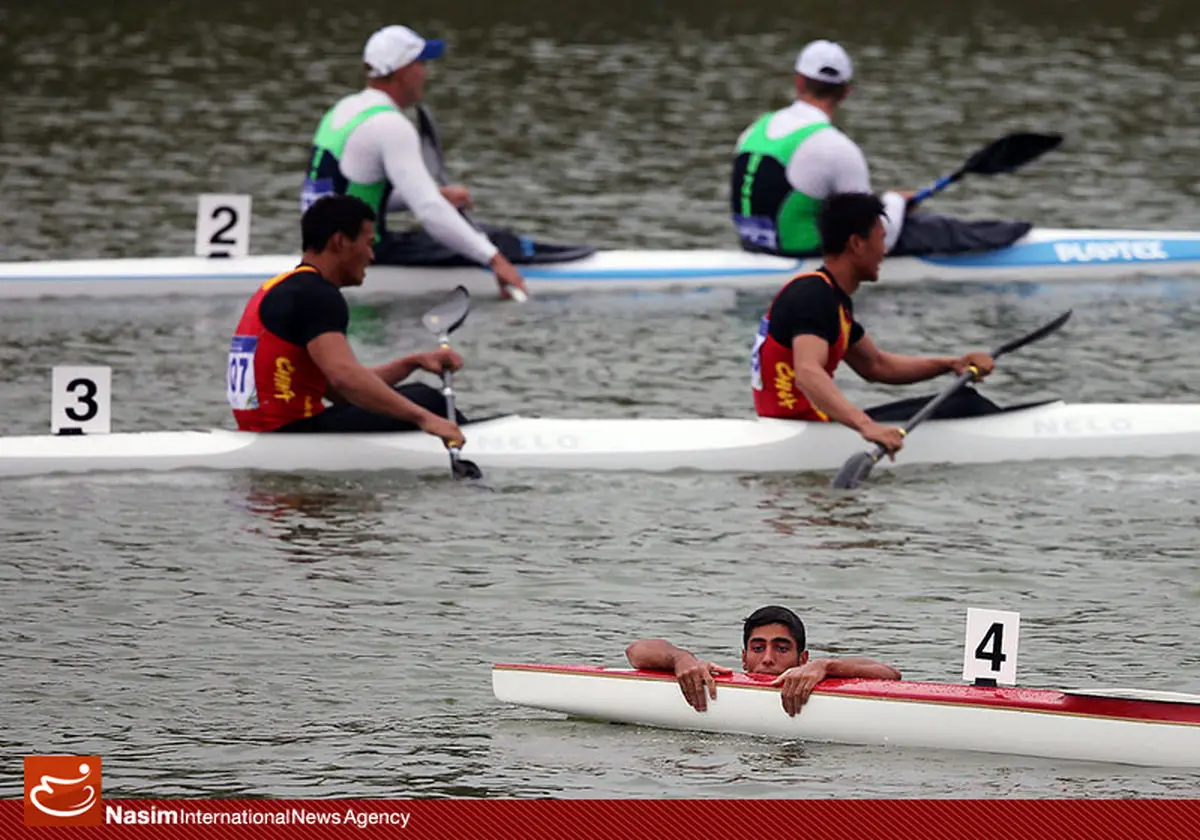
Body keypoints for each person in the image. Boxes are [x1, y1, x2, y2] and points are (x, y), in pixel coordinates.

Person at [730, 39, 1031, 258]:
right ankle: (1021, 240)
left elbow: (799, 192)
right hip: (801, 252)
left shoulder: (752, 130)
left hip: (753, 245)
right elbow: (872, 238)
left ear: (798, 82)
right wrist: (894, 204)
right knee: (933, 227)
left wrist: (883, 201)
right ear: (846, 92)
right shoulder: (836, 147)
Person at [750, 191, 998, 456]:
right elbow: (808, 372)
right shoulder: (813, 296)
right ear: (857, 244)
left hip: (810, 422)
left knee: (961, 399)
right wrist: (867, 427)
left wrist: (950, 364)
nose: (886, 251)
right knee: (965, 405)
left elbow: (876, 365)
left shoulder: (828, 295)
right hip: (806, 428)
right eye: (880, 240)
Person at [300, 24, 528, 300]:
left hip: (325, 248)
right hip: (361, 254)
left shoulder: (343, 110)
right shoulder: (391, 125)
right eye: (420, 63)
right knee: (499, 241)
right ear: (402, 71)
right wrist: (495, 260)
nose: (426, 73)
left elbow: (351, 193)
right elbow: (429, 211)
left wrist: (431, 194)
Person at [227, 194, 468, 442]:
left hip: (266, 431)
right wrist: (425, 418)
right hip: (293, 434)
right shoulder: (318, 294)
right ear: (340, 242)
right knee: (425, 398)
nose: (372, 256)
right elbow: (345, 379)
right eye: (368, 244)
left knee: (413, 398)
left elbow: (342, 388)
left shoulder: (279, 287)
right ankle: (470, 440)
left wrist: (412, 363)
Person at [626, 605, 901, 717]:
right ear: (743, 658)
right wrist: (681, 659)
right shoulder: (711, 678)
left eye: (782, 649)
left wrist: (826, 667)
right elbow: (635, 651)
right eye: (758, 648)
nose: (768, 659)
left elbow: (889, 674)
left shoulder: (820, 674)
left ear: (802, 658)